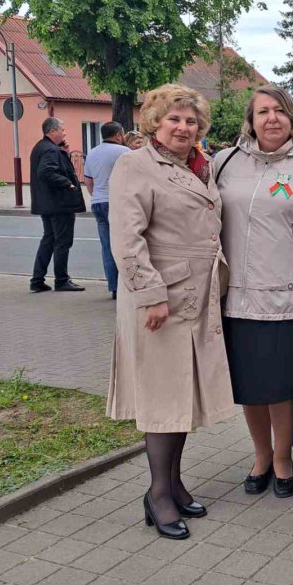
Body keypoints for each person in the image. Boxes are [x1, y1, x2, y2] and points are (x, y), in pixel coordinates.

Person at [107, 85, 234, 539]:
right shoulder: (135, 166)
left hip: (196, 296)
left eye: (191, 121)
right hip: (160, 302)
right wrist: (151, 294)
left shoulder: (199, 165)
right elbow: (127, 239)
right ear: (154, 122)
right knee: (163, 397)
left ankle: (175, 484)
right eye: (175, 119)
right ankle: (157, 494)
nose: (184, 127)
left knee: (182, 394)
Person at [214, 85, 293, 499]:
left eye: (279, 111)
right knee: (250, 387)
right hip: (238, 298)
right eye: (263, 111)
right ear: (250, 119)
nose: (271, 119)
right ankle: (260, 456)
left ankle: (283, 460)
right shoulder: (225, 162)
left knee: (281, 388)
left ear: (292, 118)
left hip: (290, 297)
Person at [29, 118, 87, 293]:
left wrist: (65, 152)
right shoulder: (51, 150)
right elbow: (46, 171)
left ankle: (37, 280)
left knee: (49, 239)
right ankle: (61, 280)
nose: (64, 133)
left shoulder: (41, 147)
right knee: (62, 241)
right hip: (59, 203)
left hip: (47, 203)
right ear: (52, 131)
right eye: (62, 129)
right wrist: (67, 183)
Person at [83, 122, 129, 299]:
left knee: (107, 246)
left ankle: (114, 287)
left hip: (98, 202)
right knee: (126, 244)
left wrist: (96, 196)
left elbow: (88, 181)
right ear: (118, 135)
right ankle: (127, 285)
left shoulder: (92, 153)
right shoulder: (124, 152)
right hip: (119, 202)